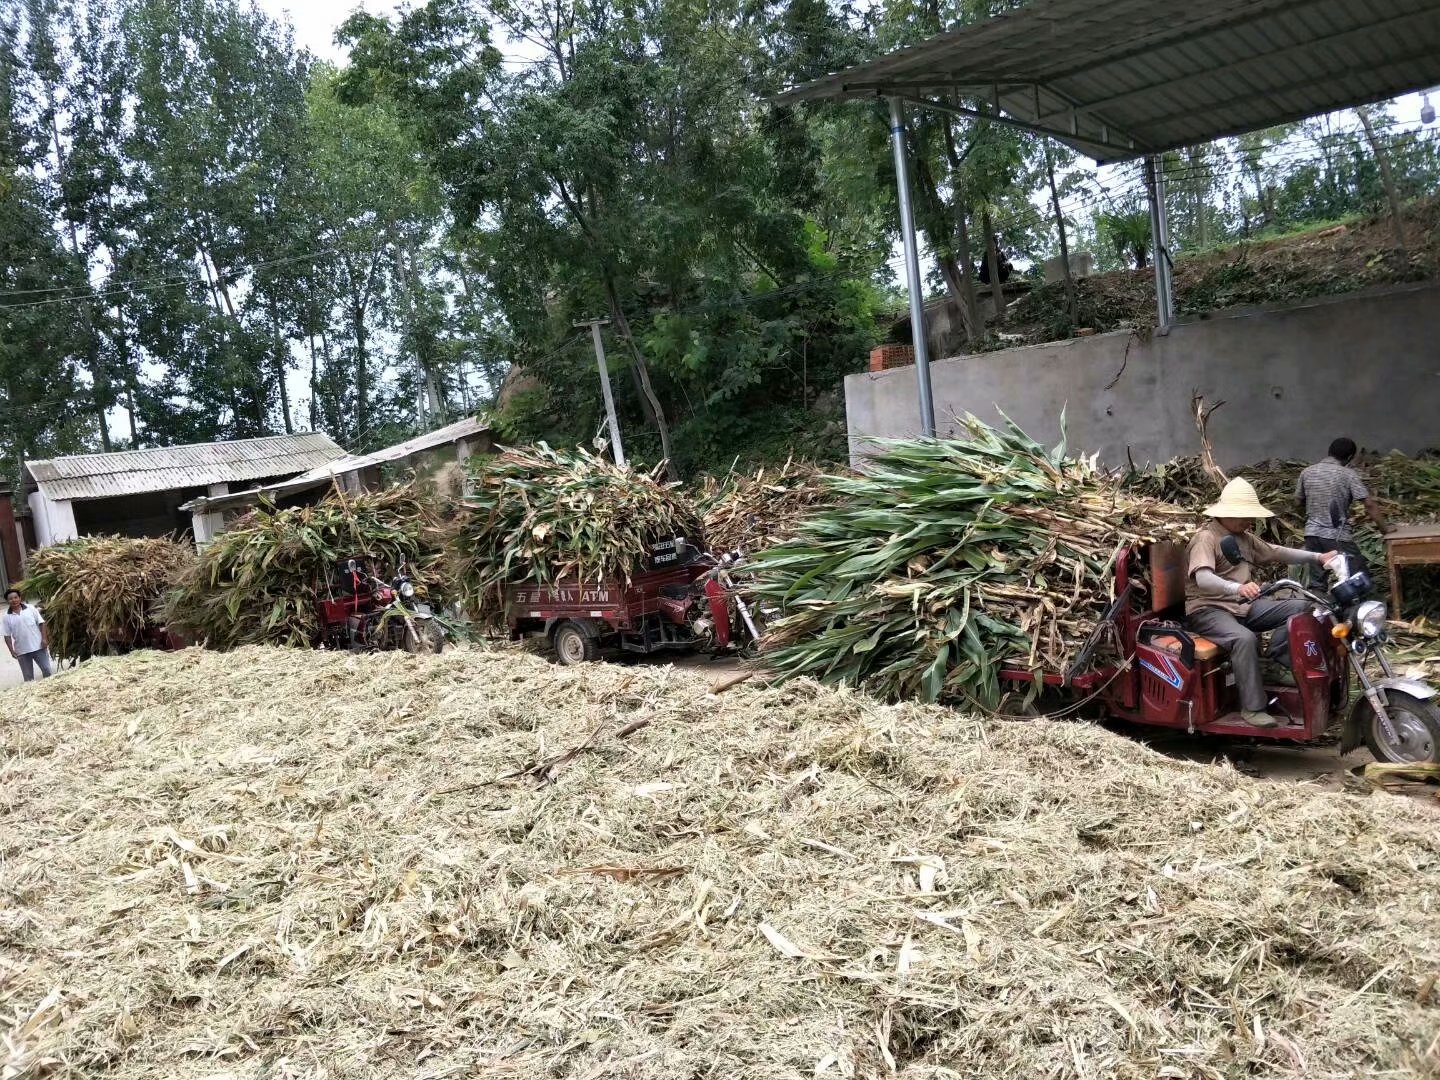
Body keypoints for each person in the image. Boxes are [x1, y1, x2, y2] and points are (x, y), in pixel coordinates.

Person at [1185, 478, 1339, 728]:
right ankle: (1253, 708)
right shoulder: (1207, 538)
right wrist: (1237, 587)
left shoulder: (1243, 537)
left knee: (1301, 606)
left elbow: (1276, 551)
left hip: (1242, 606)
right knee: (1244, 639)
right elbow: (1203, 579)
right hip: (1208, 609)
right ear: (1228, 513)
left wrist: (1317, 557)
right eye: (1245, 516)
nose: (1250, 521)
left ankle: (1278, 655)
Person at [1296, 437, 1389, 584]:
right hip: (1337, 536)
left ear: (1329, 452)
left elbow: (1298, 501)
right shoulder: (1348, 474)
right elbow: (1369, 504)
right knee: (1359, 578)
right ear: (1350, 457)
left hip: (1312, 535)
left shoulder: (1307, 472)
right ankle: (1362, 605)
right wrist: (1385, 530)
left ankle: (1318, 605)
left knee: (1317, 582)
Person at [3, 587, 53, 682]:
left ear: (20, 598)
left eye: (15, 597)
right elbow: (7, 636)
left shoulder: (30, 608)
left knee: (47, 671)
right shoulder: (6, 617)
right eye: (11, 599)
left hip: (38, 646)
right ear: (7, 601)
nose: (14, 600)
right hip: (22, 651)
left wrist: (44, 639)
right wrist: (12, 651)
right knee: (28, 678)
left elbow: (42, 623)